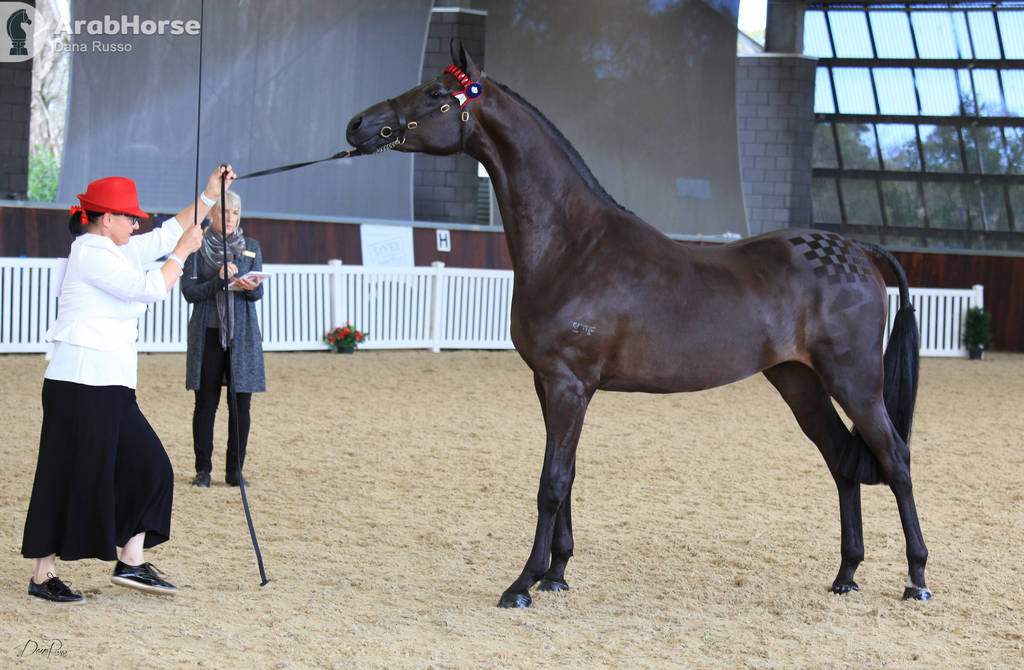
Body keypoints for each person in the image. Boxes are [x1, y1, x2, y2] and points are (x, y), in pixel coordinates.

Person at [21, 165, 236, 603]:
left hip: (114, 384)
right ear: (106, 219)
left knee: (151, 466)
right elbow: (149, 288)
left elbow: (167, 232)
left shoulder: (119, 248)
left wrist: (210, 194)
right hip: (78, 382)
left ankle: (131, 562)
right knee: (67, 474)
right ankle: (43, 575)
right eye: (129, 217)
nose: (137, 223)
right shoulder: (90, 252)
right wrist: (181, 253)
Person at [181, 189, 266, 489]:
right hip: (208, 334)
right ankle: (203, 470)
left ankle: (234, 472)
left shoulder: (251, 247)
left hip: (242, 336)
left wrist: (248, 284)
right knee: (206, 404)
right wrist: (217, 280)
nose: (230, 218)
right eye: (224, 212)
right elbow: (189, 293)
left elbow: (257, 293)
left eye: (235, 213)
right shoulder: (196, 246)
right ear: (212, 215)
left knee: (241, 405)